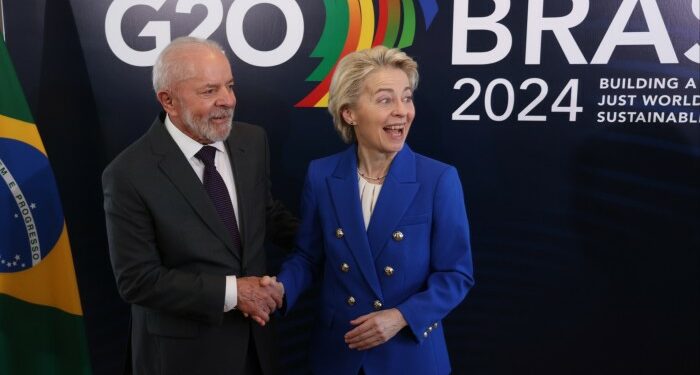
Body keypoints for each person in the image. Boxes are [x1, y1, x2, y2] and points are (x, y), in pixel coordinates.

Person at [270, 46, 475, 374]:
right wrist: (280, 290)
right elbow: (308, 258)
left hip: (408, 356)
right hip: (338, 353)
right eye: (385, 100)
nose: (401, 111)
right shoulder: (321, 175)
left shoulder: (438, 179)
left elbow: (456, 274)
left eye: (406, 98)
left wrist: (400, 317)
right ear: (349, 113)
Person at [102, 37, 297, 375]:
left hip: (257, 347)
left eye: (230, 85)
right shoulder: (128, 173)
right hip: (182, 359)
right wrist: (235, 292)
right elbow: (137, 279)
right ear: (169, 101)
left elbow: (264, 214)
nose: (228, 101)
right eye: (209, 91)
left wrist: (335, 241)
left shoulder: (252, 141)